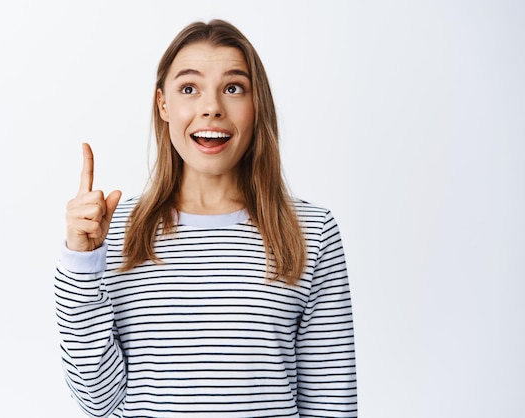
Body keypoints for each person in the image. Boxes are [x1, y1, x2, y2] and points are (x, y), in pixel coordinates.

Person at [55, 19, 357, 418]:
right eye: (189, 88)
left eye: (233, 88)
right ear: (163, 105)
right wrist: (81, 262)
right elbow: (98, 400)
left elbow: (331, 403)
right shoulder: (116, 231)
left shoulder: (311, 231)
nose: (212, 107)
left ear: (256, 105)